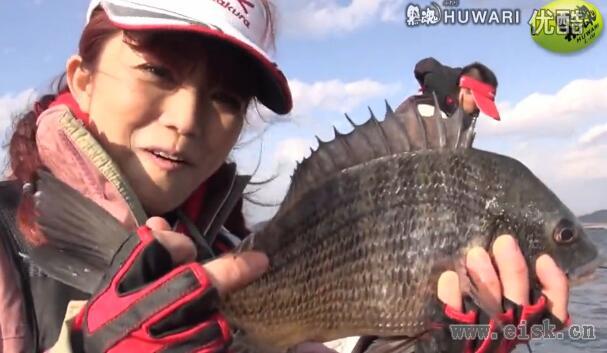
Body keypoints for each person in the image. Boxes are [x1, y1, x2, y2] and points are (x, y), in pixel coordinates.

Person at [0, 3, 569, 353]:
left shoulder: (231, 256)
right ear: (82, 80)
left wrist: (435, 344)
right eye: (156, 71)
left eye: (225, 97)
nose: (186, 121)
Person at [396, 57, 501, 132]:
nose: (477, 111)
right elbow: (425, 65)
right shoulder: (433, 112)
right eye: (477, 104)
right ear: (465, 90)